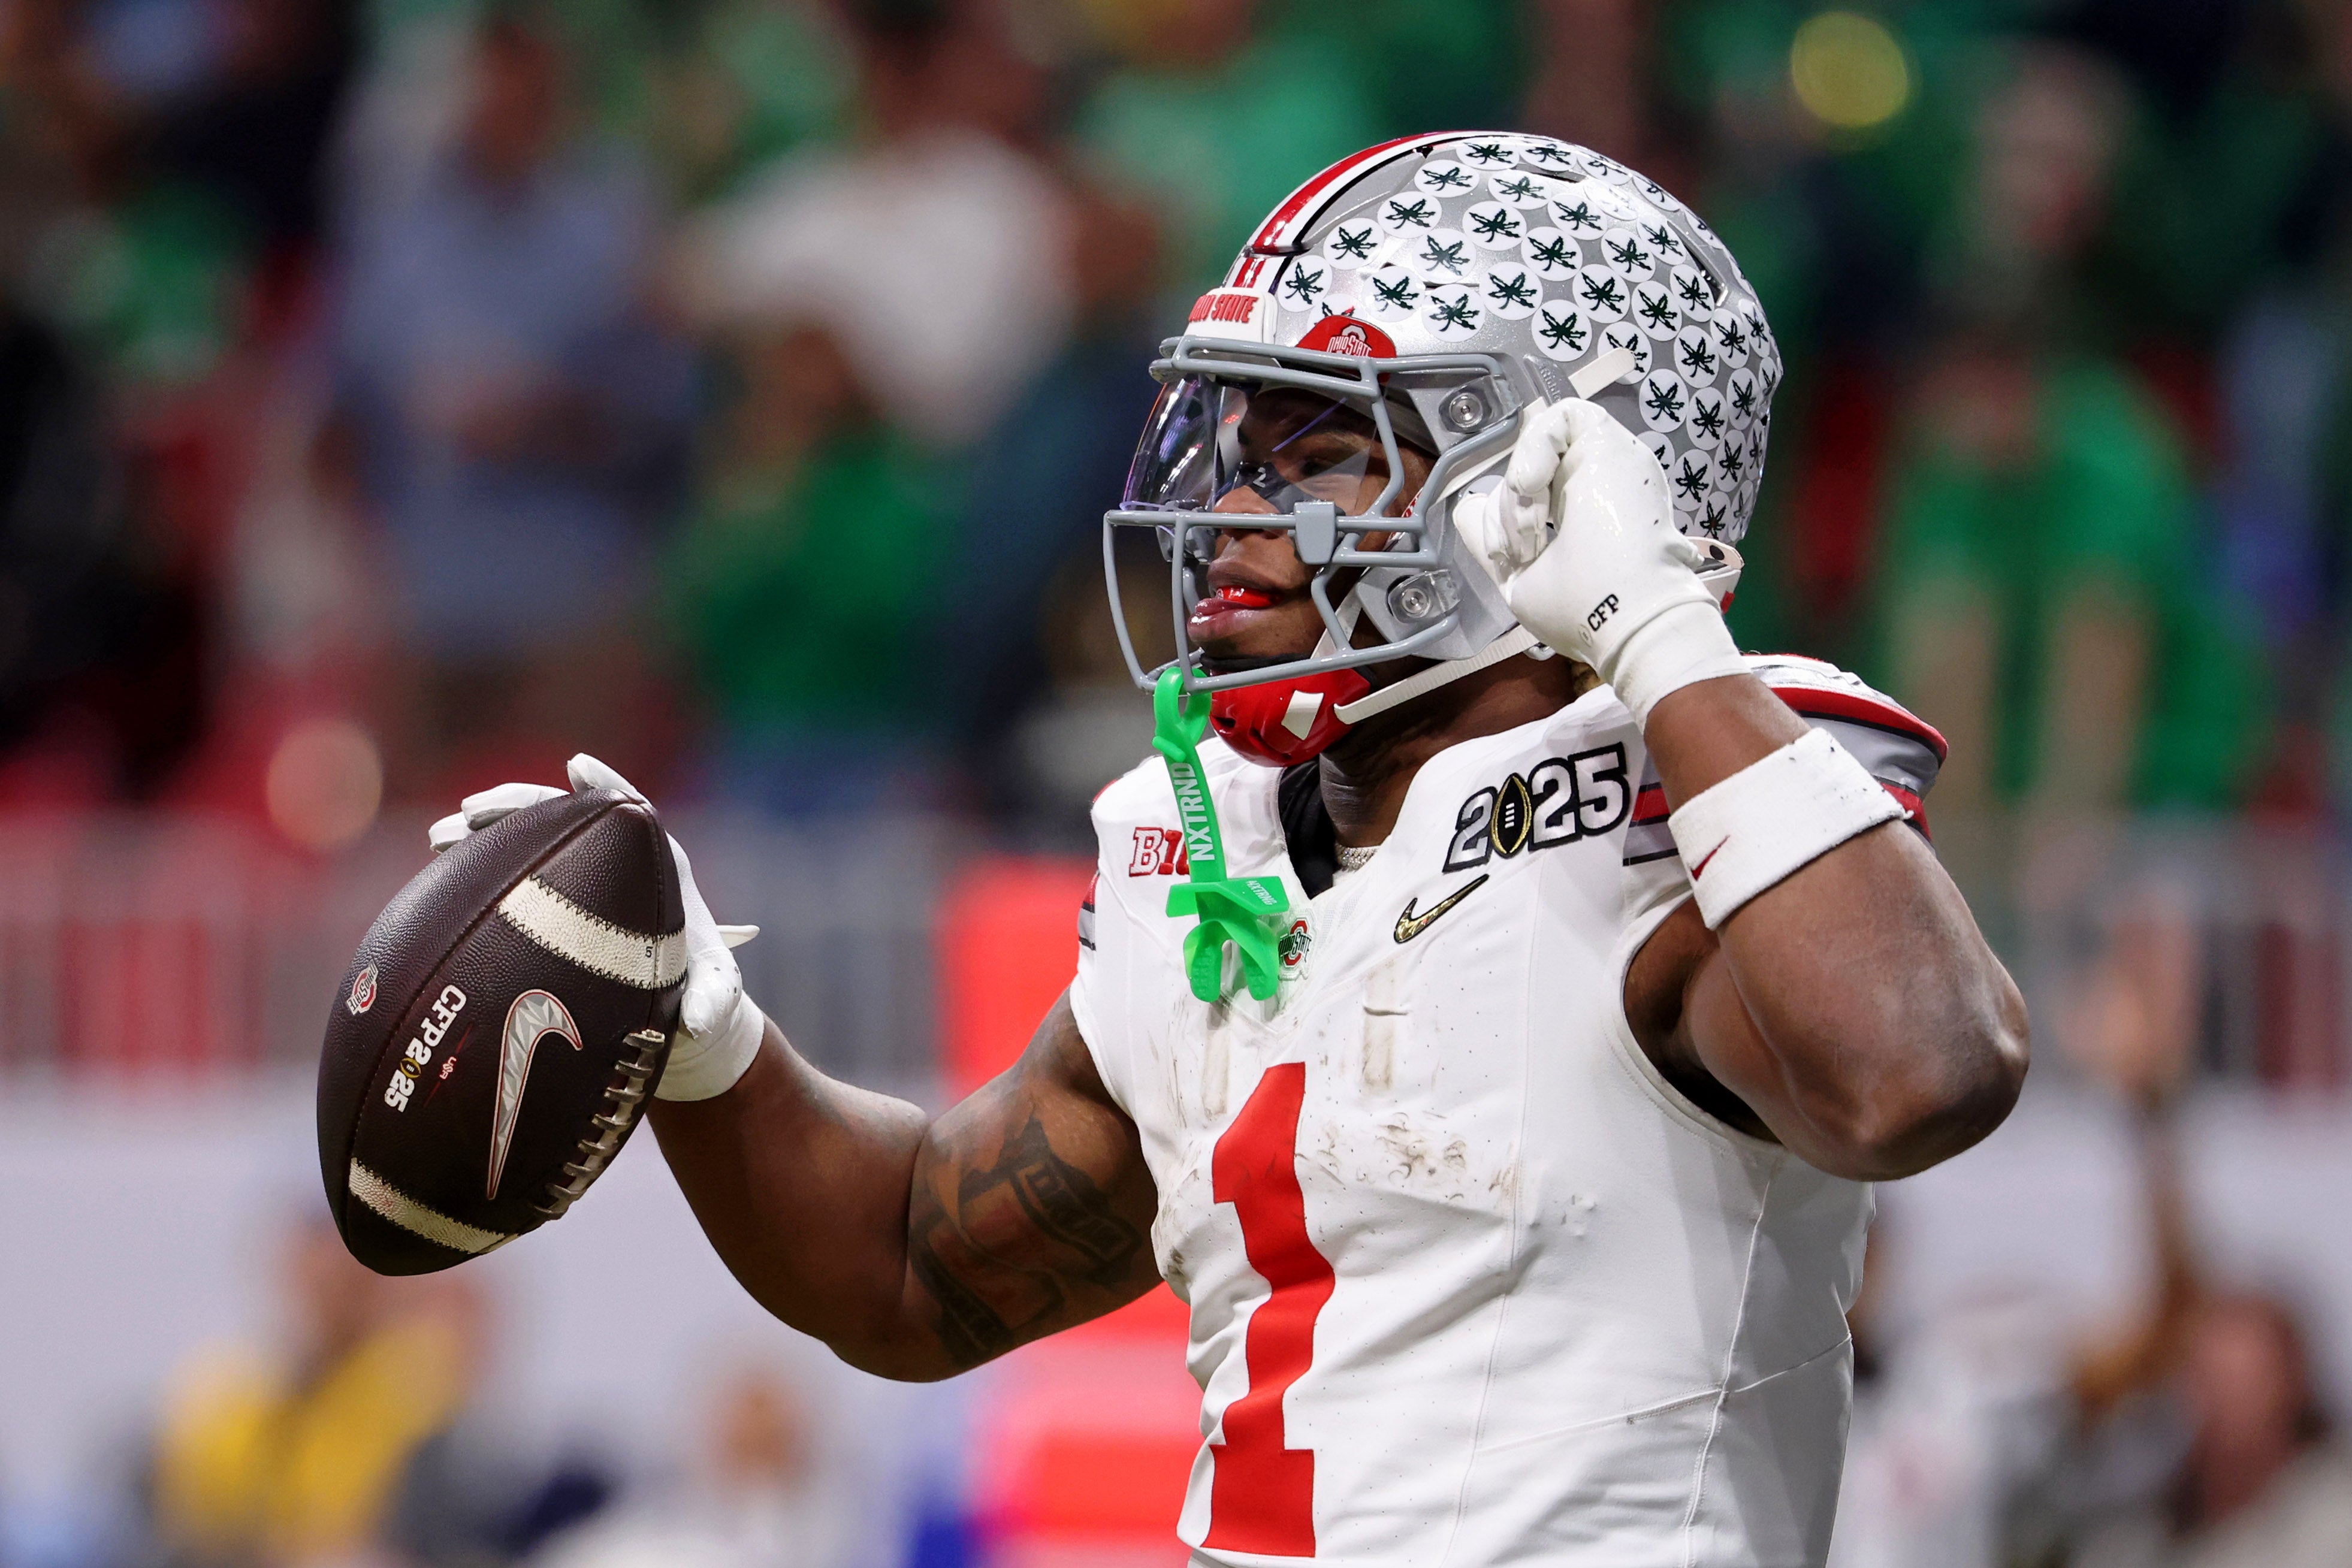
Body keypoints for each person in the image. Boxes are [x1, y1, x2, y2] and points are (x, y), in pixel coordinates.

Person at [434, 134, 2028, 1563]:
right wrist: (699, 1027)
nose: (1229, 505)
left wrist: (1659, 624)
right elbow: (918, 1268)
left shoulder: (1693, 800)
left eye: (1317, 446)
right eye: (1229, 442)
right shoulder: (1220, 844)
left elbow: (1918, 1072)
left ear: (1560, 472)